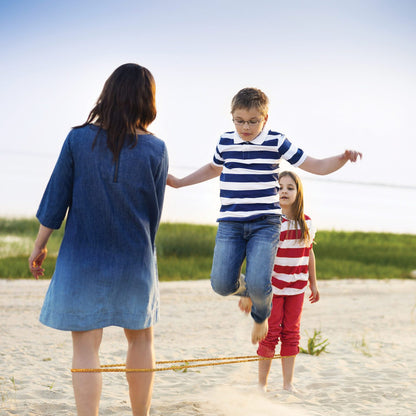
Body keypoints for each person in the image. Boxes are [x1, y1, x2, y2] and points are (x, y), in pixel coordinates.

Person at [167, 87, 361, 345]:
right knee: (221, 284)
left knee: (261, 285)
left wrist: (341, 158)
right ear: (232, 117)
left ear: (265, 118)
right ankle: (250, 292)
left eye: (252, 121)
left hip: (265, 224)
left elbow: (315, 165)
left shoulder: (276, 141)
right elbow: (213, 167)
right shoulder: (225, 141)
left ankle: (261, 314)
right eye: (239, 121)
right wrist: (179, 182)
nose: (245, 127)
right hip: (230, 223)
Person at [28, 63, 168, 416]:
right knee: (141, 338)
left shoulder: (77, 139)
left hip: (83, 256)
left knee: (86, 345)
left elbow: (55, 198)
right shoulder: (157, 149)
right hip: (134, 258)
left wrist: (39, 244)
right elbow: (154, 212)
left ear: (107, 94)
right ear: (147, 101)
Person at [239, 171, 319, 392]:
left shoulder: (308, 224)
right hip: (272, 288)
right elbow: (256, 256)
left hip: (297, 288)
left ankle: (287, 384)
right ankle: (261, 384)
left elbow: (309, 253)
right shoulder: (271, 223)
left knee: (292, 333)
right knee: (270, 333)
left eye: (289, 187)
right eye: (279, 187)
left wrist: (314, 282)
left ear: (298, 192)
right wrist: (249, 291)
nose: (283, 191)